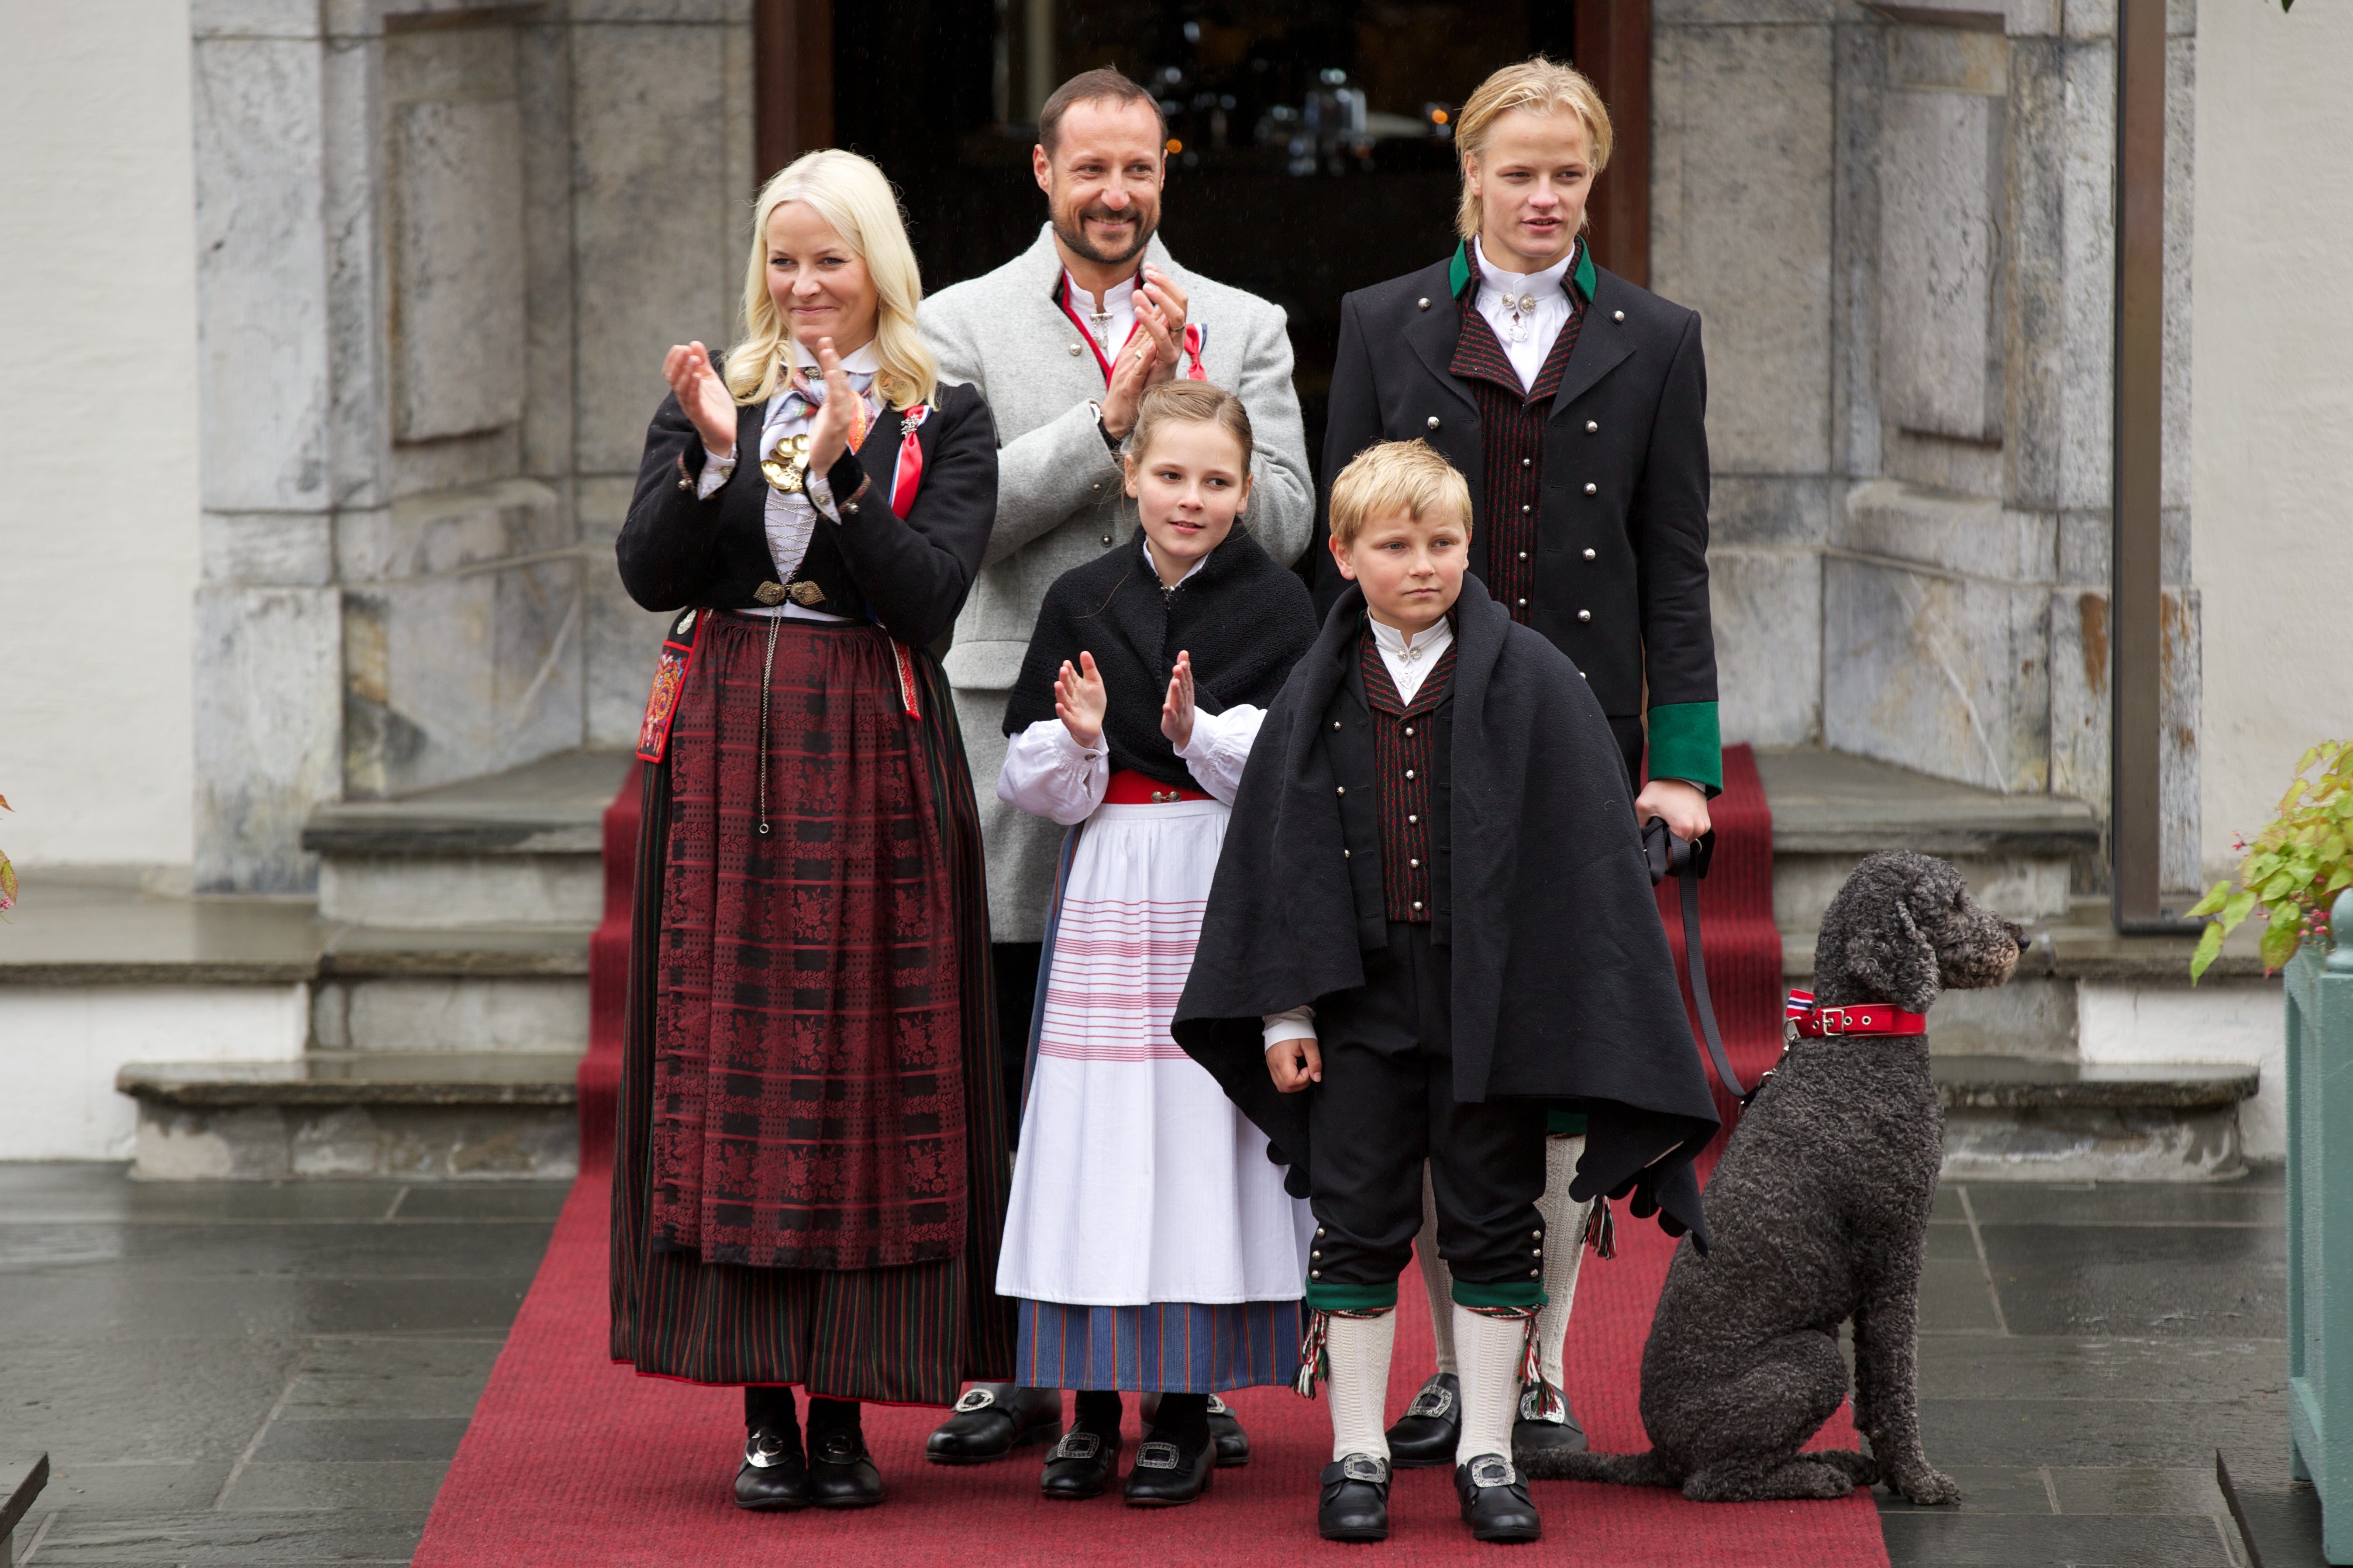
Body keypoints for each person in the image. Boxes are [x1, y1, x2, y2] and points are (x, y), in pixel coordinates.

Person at [1171, 439, 1721, 1544]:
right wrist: (1282, 1012)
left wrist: (1566, 1021)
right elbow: (1275, 859)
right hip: (1357, 1003)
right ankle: (1357, 1454)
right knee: (1358, 1223)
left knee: (1491, 1223)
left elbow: (1582, 874)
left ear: (1469, 547)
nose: (1423, 564)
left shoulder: (1534, 681)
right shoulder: (1315, 689)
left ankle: (1486, 1451)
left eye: (1443, 543)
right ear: (1342, 553)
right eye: (1395, 545)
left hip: (1493, 1008)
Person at [1312, 56, 1722, 1466]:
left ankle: (1540, 1363)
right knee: (1436, 1054)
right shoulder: (1381, 324)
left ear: (1592, 185)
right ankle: (1447, 1369)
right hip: (1413, 729)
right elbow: (1350, 547)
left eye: (1570, 176)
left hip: (1586, 743)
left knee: (1553, 1059)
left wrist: (1683, 763)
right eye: (1522, 172)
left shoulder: (1659, 338)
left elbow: (1677, 568)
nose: (1546, 198)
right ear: (1471, 176)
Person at [919, 64, 1316, 1466]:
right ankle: (1018, 1358)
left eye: (1137, 170)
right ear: (1042, 172)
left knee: (1175, 1070)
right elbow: (957, 521)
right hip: (1030, 722)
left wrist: (1183, 433)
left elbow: (1284, 517)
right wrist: (1106, 427)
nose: (1113, 195)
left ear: (1166, 175)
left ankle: (1186, 1366)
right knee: (1020, 1048)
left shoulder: (1247, 322)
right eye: (1088, 169)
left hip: (1192, 781)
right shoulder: (958, 324)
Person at [609, 148, 1010, 1513]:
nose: (803, 286)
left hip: (870, 743)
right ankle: (763, 1413)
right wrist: (718, 461)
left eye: (827, 260)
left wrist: (839, 481)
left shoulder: (942, 413)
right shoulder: (712, 392)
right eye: (783, 261)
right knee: (734, 1061)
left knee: (855, 1065)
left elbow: (929, 602)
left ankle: (845, 1411)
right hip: (726, 741)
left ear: (877, 267)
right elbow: (648, 575)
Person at [989, 381, 1319, 1508]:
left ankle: (1181, 1404)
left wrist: (1197, 734)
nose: (1189, 498)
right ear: (1129, 476)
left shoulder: (1279, 607)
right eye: (1169, 475)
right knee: (1095, 1134)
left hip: (1212, 887)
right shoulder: (1081, 598)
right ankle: (1085, 1410)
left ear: (1245, 491)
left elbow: (1290, 769)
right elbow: (1034, 777)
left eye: (1215, 480)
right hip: (1109, 884)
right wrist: (1081, 742)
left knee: (1191, 1136)